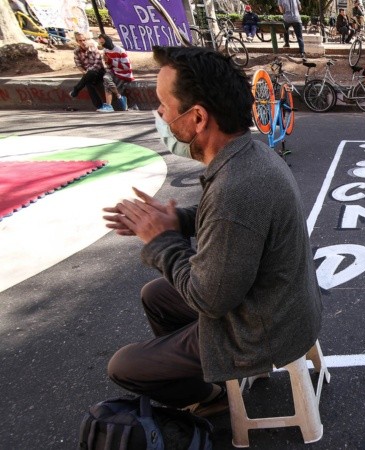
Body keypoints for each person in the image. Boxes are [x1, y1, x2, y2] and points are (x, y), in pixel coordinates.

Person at [103, 46, 322, 417]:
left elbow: (208, 299)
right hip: (285, 304)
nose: (160, 116)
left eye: (164, 106)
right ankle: (205, 378)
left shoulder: (235, 188)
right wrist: (178, 221)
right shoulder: (251, 155)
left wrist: (161, 241)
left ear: (198, 117)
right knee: (156, 296)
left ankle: (210, 393)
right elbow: (231, 223)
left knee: (124, 366)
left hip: (263, 328)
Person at [69, 32, 106, 111]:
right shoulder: (76, 51)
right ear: (77, 41)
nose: (83, 42)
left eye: (84, 40)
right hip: (88, 74)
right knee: (89, 83)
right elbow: (78, 65)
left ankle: (76, 89)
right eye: (80, 41)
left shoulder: (93, 48)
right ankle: (99, 106)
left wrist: (88, 73)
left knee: (91, 73)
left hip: (99, 71)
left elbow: (97, 63)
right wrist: (85, 73)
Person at [97, 34, 133, 112]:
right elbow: (109, 66)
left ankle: (111, 103)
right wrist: (107, 63)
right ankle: (116, 97)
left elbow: (126, 67)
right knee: (106, 78)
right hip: (114, 71)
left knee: (107, 82)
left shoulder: (120, 50)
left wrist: (111, 61)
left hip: (124, 73)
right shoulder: (105, 51)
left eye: (103, 42)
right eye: (101, 43)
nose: (102, 45)